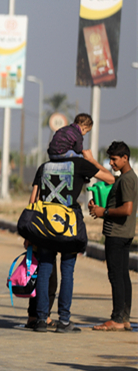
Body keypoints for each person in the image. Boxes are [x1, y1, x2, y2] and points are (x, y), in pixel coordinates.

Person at [27, 136, 114, 333]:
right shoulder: (80, 164)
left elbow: (33, 199)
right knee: (67, 272)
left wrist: (30, 234)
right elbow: (110, 178)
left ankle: (41, 319)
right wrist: (90, 160)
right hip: (69, 226)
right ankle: (64, 320)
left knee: (45, 270)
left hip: (46, 225)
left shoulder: (44, 167)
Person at [88, 141, 136, 331]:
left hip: (117, 234)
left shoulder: (127, 180)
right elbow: (108, 176)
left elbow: (127, 209)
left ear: (125, 158)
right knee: (123, 275)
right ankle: (124, 318)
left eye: (114, 159)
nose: (111, 163)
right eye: (110, 159)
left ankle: (116, 318)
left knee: (116, 275)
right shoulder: (126, 178)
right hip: (123, 233)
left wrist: (104, 212)